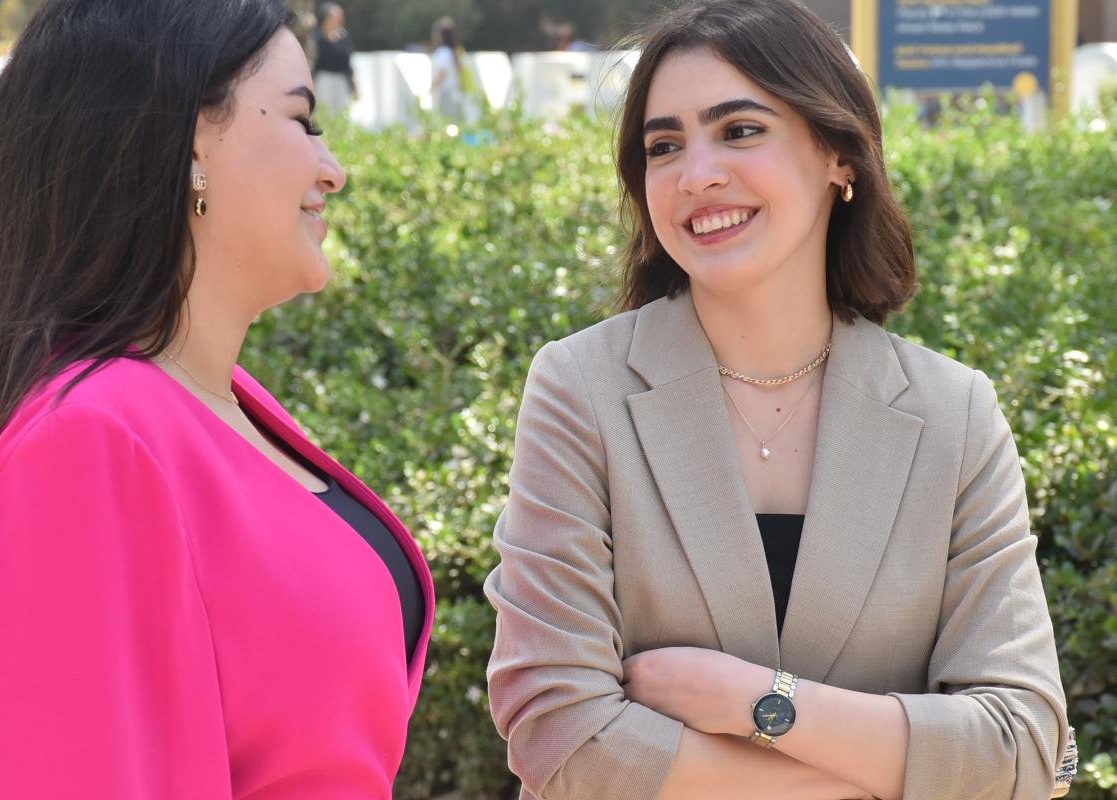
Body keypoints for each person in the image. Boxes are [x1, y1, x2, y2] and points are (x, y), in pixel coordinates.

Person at [483, 1, 1071, 799]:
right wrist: (890, 770)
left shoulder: (952, 413)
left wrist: (756, 704)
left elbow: (1022, 746)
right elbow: (563, 736)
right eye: (664, 146)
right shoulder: (581, 389)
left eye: (740, 130)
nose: (697, 175)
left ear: (839, 155)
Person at [0, 0, 434, 796]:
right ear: (186, 144)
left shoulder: (222, 405)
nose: (332, 168)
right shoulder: (86, 442)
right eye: (301, 121)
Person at [312, 3, 356, 116]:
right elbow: (313, 62)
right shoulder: (316, 38)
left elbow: (348, 64)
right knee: (324, 112)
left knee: (342, 112)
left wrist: (354, 86)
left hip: (341, 80)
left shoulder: (344, 36)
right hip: (323, 80)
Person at [430, 16, 469, 119]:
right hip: (457, 94)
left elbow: (441, 74)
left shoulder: (442, 53)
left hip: (446, 96)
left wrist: (430, 89)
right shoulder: (455, 52)